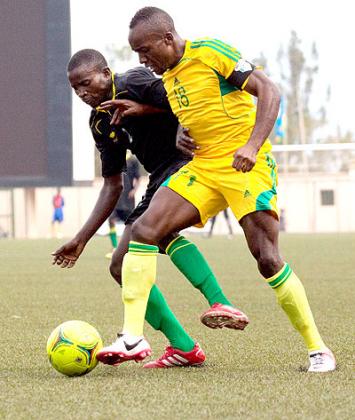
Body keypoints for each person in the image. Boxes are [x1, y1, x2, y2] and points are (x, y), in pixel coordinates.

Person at [98, 7, 336, 373]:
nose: (143, 60)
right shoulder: (169, 77)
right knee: (144, 230)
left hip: (246, 166)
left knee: (268, 259)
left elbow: (268, 90)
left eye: (145, 51)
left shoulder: (209, 52)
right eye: (136, 55)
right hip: (204, 169)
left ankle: (318, 349)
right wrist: (162, 122)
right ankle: (132, 335)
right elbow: (189, 110)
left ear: (167, 38)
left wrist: (252, 146)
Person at [52, 49, 248, 369]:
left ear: (105, 72)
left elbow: (182, 104)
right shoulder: (100, 121)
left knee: (158, 230)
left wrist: (141, 109)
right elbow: (113, 184)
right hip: (159, 178)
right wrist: (81, 239)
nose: (82, 93)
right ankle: (183, 346)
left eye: (86, 83)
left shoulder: (136, 80)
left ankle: (220, 302)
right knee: (119, 265)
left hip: (189, 164)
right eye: (75, 88)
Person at [106, 153, 141, 259]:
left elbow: (138, 177)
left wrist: (134, 190)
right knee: (111, 220)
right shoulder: (114, 157)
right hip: (115, 197)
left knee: (131, 223)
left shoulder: (133, 160)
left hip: (128, 198)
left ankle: (131, 247)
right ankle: (114, 247)